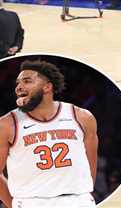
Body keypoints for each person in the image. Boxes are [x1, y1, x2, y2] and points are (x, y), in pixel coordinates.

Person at [0, 60, 98, 208]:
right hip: (30, 202)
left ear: (47, 87)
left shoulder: (82, 117)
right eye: (18, 83)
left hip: (77, 201)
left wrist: (84, 195)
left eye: (27, 81)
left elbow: (91, 164)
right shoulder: (7, 124)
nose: (19, 87)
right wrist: (13, 204)